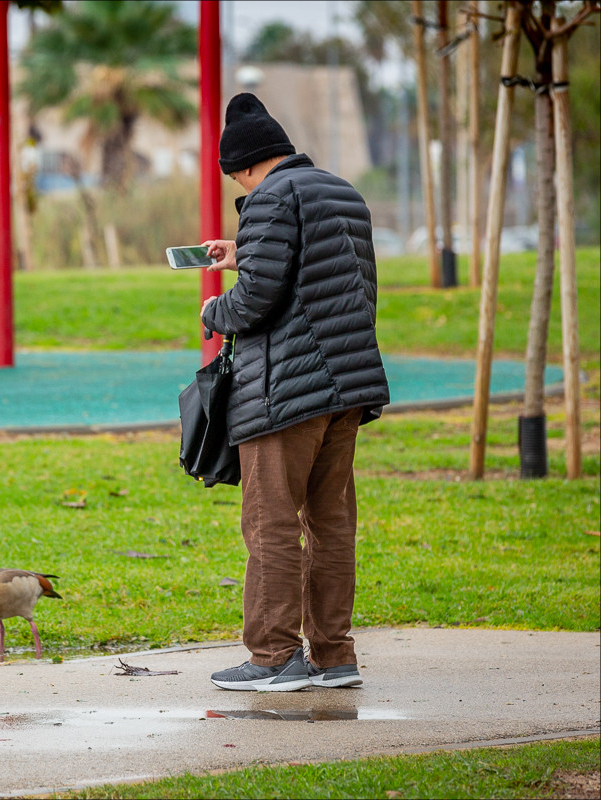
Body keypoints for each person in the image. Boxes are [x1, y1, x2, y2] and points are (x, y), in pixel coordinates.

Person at [199, 93, 390, 692]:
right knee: (330, 522)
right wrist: (244, 256)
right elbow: (328, 279)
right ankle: (334, 656)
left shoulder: (269, 198)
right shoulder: (341, 190)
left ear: (246, 167)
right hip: (348, 387)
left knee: (271, 524)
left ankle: (272, 656)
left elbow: (256, 301)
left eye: (236, 175)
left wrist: (215, 308)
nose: (240, 185)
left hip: (286, 393)